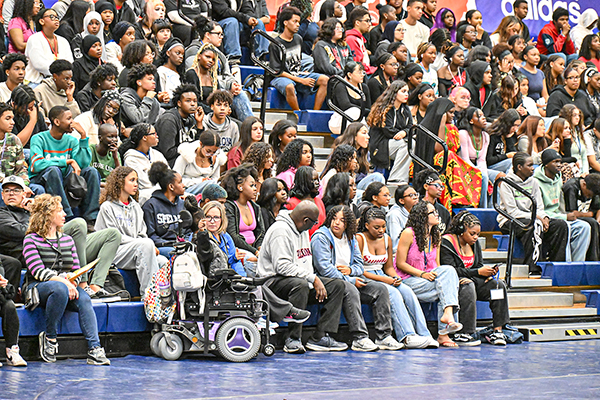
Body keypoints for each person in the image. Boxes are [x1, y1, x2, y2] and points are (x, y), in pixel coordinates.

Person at [23, 194, 111, 365]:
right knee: (60, 289)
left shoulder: (67, 240)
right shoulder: (30, 239)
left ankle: (95, 348)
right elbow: (38, 271)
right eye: (60, 211)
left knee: (84, 298)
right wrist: (64, 282)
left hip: (66, 286)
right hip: (38, 288)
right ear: (47, 215)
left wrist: (73, 282)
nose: (64, 214)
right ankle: (50, 339)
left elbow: (76, 269)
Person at [256, 200, 348, 353]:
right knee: (301, 285)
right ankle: (293, 339)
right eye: (314, 222)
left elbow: (304, 263)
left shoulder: (303, 230)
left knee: (336, 286)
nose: (314, 226)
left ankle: (320, 337)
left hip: (295, 280)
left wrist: (315, 281)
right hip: (272, 283)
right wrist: (313, 279)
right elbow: (282, 267)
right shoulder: (280, 231)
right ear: (306, 220)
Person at [312, 205, 404, 351]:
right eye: (334, 219)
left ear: (348, 223)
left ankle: (384, 336)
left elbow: (359, 265)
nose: (337, 223)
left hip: (350, 277)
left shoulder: (351, 238)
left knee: (380, 289)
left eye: (342, 220)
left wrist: (350, 270)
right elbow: (324, 269)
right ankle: (359, 338)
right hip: (329, 282)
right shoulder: (321, 237)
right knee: (350, 289)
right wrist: (350, 279)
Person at [355, 206, 436, 348]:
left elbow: (389, 268)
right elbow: (359, 270)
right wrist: (386, 280)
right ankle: (407, 336)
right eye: (376, 227)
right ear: (367, 226)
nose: (381, 231)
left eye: (383, 227)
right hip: (366, 277)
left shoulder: (386, 239)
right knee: (393, 293)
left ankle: (424, 334)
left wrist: (394, 277)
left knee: (407, 291)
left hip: (382, 274)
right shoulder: (359, 238)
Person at [395, 200, 461, 347]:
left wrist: (437, 277)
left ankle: (447, 315)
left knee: (449, 274)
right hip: (408, 279)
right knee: (448, 288)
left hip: (428, 281)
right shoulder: (408, 233)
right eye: (433, 212)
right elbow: (400, 263)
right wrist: (421, 274)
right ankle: (444, 331)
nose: (437, 214)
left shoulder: (435, 235)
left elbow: (436, 266)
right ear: (423, 216)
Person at [95, 166, 168, 296]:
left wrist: (147, 245)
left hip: (134, 251)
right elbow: (114, 238)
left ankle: (163, 299)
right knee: (146, 244)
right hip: (113, 252)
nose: (136, 184)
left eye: (137, 181)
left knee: (163, 261)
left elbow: (141, 234)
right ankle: (150, 298)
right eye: (132, 180)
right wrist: (146, 244)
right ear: (120, 181)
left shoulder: (136, 207)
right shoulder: (107, 207)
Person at [441, 212, 510, 346]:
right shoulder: (446, 243)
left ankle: (498, 330)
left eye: (477, 234)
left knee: (498, 284)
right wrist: (478, 272)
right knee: (468, 286)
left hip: (471, 278)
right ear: (461, 231)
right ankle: (466, 332)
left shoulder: (474, 243)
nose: (475, 237)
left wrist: (487, 274)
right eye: (472, 234)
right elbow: (450, 270)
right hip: (454, 282)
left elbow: (478, 265)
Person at [29, 106, 100, 227]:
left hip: (65, 178)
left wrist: (83, 136)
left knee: (91, 171)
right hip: (42, 178)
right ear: (56, 122)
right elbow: (37, 164)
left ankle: (91, 219)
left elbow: (83, 164)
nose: (72, 122)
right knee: (53, 170)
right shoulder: (39, 138)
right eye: (69, 119)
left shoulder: (71, 140)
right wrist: (65, 161)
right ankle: (67, 216)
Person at [185, 17, 254, 122]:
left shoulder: (220, 54)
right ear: (207, 35)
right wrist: (227, 85)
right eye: (218, 34)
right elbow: (195, 72)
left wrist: (232, 84)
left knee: (239, 93)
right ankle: (251, 126)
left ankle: (251, 126)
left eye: (222, 34)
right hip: (203, 102)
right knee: (238, 96)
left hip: (219, 94)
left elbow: (227, 74)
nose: (221, 37)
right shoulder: (194, 51)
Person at [533, 148, 591, 262]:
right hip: (545, 220)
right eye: (555, 162)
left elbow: (559, 206)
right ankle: (567, 265)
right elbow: (539, 210)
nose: (559, 165)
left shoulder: (558, 178)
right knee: (564, 227)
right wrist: (564, 217)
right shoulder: (536, 182)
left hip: (558, 216)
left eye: (560, 161)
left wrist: (566, 215)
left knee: (584, 227)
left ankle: (577, 264)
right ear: (546, 164)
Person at [269, 7, 329, 111]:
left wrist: (302, 73)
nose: (298, 25)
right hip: (280, 77)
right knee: (289, 87)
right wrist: (301, 80)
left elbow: (297, 61)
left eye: (299, 22)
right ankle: (297, 113)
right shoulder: (275, 44)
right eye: (295, 21)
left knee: (325, 80)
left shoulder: (298, 39)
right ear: (285, 23)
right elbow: (277, 71)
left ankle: (314, 113)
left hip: (297, 73)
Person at [221, 164, 265, 276]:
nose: (255, 189)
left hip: (255, 249)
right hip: (238, 249)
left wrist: (259, 248)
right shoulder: (229, 207)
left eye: (255, 185)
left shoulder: (255, 207)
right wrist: (254, 252)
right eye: (252, 185)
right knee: (252, 260)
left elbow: (260, 232)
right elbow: (233, 235)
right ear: (240, 187)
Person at [367, 80, 412, 183]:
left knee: (411, 144)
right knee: (407, 144)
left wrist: (404, 132)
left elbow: (410, 127)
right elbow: (388, 131)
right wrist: (404, 134)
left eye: (407, 92)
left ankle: (400, 178)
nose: (406, 94)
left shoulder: (405, 109)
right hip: (380, 145)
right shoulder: (383, 109)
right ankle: (395, 178)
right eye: (403, 91)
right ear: (394, 92)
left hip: (395, 143)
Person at [142, 162, 185, 259]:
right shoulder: (150, 205)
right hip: (161, 247)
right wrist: (170, 244)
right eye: (180, 182)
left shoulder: (182, 204)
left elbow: (188, 230)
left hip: (180, 246)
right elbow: (150, 234)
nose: (184, 185)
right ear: (171, 186)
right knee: (178, 256)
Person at [155, 84, 204, 167]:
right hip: (168, 164)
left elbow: (199, 144)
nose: (192, 104)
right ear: (179, 103)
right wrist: (190, 150)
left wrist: (199, 123)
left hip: (186, 160)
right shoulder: (169, 120)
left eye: (195, 101)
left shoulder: (191, 119)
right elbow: (167, 152)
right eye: (188, 101)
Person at [120, 123, 168, 204]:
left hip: (161, 189)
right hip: (143, 193)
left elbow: (169, 174)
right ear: (144, 137)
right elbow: (146, 184)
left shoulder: (157, 154)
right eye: (153, 134)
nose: (157, 136)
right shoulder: (131, 159)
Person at [25, 8, 74, 85]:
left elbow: (70, 62)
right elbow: (39, 65)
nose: (56, 19)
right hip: (37, 81)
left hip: (61, 81)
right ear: (41, 21)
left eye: (57, 17)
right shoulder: (34, 39)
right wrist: (59, 74)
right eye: (52, 17)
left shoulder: (63, 40)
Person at [0, 103, 38, 195]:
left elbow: (21, 168)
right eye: (7, 119)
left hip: (15, 183)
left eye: (12, 118)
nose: (12, 122)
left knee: (37, 189)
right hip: (4, 183)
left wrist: (23, 185)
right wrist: (12, 184)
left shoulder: (14, 139)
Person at [173, 131, 226, 195]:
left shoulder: (217, 158)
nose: (210, 154)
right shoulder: (186, 156)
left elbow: (216, 178)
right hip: (186, 189)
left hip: (207, 189)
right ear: (201, 144)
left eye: (214, 152)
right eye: (208, 151)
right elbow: (175, 179)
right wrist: (200, 181)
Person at [563, 173, 600, 261]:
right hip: (568, 218)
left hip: (587, 217)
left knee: (596, 224)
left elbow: (598, 208)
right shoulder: (571, 187)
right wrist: (590, 214)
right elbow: (572, 213)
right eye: (589, 194)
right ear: (584, 185)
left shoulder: (595, 188)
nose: (588, 197)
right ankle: (593, 260)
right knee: (592, 223)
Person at [458, 107, 490, 207]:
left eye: (483, 115)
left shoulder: (485, 136)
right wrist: (481, 173)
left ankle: (492, 209)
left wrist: (483, 173)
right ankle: (482, 208)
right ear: (471, 121)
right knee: (483, 177)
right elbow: (465, 159)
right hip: (462, 166)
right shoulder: (463, 134)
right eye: (479, 116)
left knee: (499, 177)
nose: (484, 118)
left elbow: (482, 160)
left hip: (477, 166)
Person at [329, 61, 371, 135]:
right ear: (349, 74)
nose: (362, 75)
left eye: (363, 73)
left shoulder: (364, 87)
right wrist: (363, 111)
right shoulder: (340, 86)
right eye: (359, 73)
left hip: (360, 120)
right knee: (354, 111)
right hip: (341, 120)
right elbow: (346, 106)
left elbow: (368, 107)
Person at [286, 166, 326, 237]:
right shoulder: (292, 203)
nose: (317, 183)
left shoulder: (318, 201)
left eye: (317, 180)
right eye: (313, 180)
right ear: (303, 182)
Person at [120, 63, 161, 128]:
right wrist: (148, 99)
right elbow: (137, 119)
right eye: (149, 79)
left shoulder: (153, 101)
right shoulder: (126, 97)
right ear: (139, 82)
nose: (154, 82)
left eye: (153, 79)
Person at [387, 184, 419, 254]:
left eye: (416, 194)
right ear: (401, 200)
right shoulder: (394, 215)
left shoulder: (417, 212)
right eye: (411, 195)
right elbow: (396, 244)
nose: (415, 197)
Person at [487, 108, 519, 175]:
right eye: (514, 125)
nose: (515, 129)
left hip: (504, 164)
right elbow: (488, 159)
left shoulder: (511, 135)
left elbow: (514, 154)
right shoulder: (493, 135)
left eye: (517, 126)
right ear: (507, 123)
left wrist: (509, 138)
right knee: (511, 162)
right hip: (491, 166)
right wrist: (506, 156)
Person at [345, 8, 376, 75]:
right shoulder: (351, 39)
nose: (370, 24)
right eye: (367, 21)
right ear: (357, 23)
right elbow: (357, 65)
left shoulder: (359, 38)